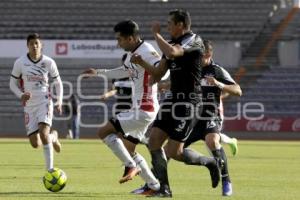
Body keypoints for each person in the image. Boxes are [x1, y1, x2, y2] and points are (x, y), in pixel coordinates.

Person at [131, 10, 221, 197]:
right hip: (172, 100)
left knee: (174, 151)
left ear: (180, 25)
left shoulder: (194, 40)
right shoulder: (169, 45)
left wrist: (156, 34)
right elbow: (157, 74)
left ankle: (210, 162)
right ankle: (163, 189)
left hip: (189, 102)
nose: (167, 27)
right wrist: (141, 63)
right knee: (154, 142)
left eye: (169, 24)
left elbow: (173, 52)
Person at [82, 20, 161, 193]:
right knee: (128, 148)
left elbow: (164, 70)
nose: (118, 43)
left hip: (144, 109)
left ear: (131, 38)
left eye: (120, 39)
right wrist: (98, 72)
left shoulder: (147, 51)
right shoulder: (132, 54)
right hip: (141, 108)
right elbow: (124, 72)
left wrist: (145, 66)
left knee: (103, 132)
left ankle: (130, 166)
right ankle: (154, 186)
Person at [181, 39, 242, 196]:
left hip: (210, 115)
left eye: (199, 56)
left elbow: (237, 90)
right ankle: (156, 184)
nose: (196, 59)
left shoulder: (217, 70)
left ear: (208, 54)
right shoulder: (192, 69)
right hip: (192, 118)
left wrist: (218, 84)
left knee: (213, 141)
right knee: (172, 149)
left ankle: (226, 181)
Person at [9, 33, 63, 171]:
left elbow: (58, 82)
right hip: (29, 106)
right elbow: (12, 84)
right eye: (32, 43)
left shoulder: (49, 62)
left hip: (44, 101)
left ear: (41, 45)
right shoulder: (20, 62)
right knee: (36, 144)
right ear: (27, 45)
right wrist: (21, 95)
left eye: (37, 43)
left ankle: (50, 170)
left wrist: (59, 101)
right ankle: (54, 137)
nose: (34, 46)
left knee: (43, 134)